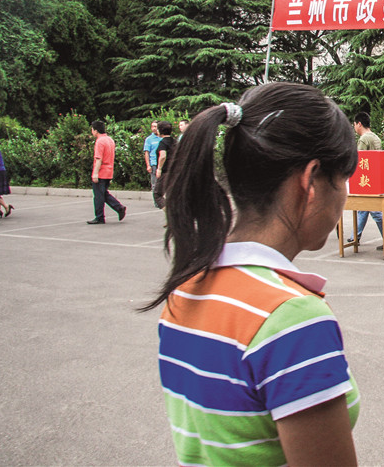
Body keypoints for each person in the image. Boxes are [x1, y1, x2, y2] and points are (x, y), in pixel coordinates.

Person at [140, 83, 361, 466]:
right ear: (311, 180)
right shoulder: (292, 319)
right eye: (343, 179)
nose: (345, 194)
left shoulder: (185, 289)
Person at [349, 112, 384, 250]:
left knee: (375, 211)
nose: (354, 127)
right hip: (376, 179)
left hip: (368, 181)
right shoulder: (375, 137)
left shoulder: (364, 139)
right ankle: (355, 236)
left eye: (354, 124)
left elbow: (360, 161)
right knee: (363, 208)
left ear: (359, 124)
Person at [88, 120, 126, 224]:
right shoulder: (110, 140)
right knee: (103, 193)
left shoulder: (100, 141)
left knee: (98, 196)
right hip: (109, 170)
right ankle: (119, 208)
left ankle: (100, 217)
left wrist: (95, 173)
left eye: (92, 129)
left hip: (102, 171)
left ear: (96, 131)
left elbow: (98, 158)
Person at [152, 121, 177, 209]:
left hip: (166, 171)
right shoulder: (175, 142)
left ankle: (169, 213)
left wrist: (159, 168)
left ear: (160, 131)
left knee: (157, 194)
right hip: (175, 170)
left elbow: (163, 156)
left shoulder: (163, 143)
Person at [143, 121, 161, 190]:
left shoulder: (163, 138)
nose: (154, 128)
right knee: (155, 184)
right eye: (152, 126)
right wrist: (148, 165)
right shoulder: (149, 139)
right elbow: (147, 152)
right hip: (154, 163)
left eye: (155, 126)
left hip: (163, 163)